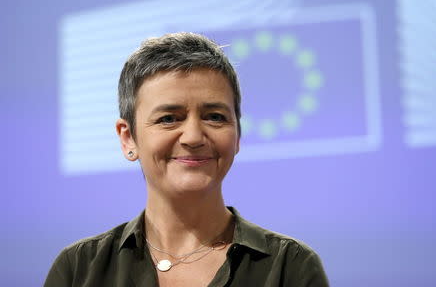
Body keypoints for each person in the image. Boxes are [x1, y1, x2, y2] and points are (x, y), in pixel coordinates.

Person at [44, 32, 329, 287]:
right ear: (128, 138)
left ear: (238, 134)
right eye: (168, 119)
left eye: (215, 117)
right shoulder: (80, 270)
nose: (193, 136)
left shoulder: (290, 267)